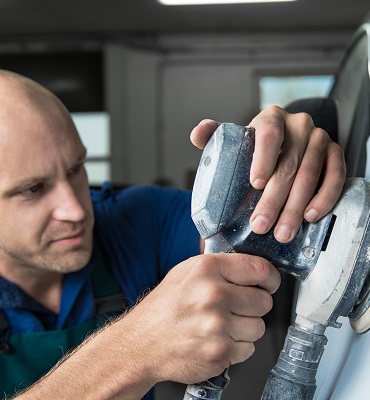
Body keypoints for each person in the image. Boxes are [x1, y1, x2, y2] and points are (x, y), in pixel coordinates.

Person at [0, 70, 345, 399]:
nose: (75, 209)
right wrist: (132, 351)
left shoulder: (134, 220)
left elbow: (244, 226)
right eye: (33, 189)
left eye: (75, 168)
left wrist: (276, 166)